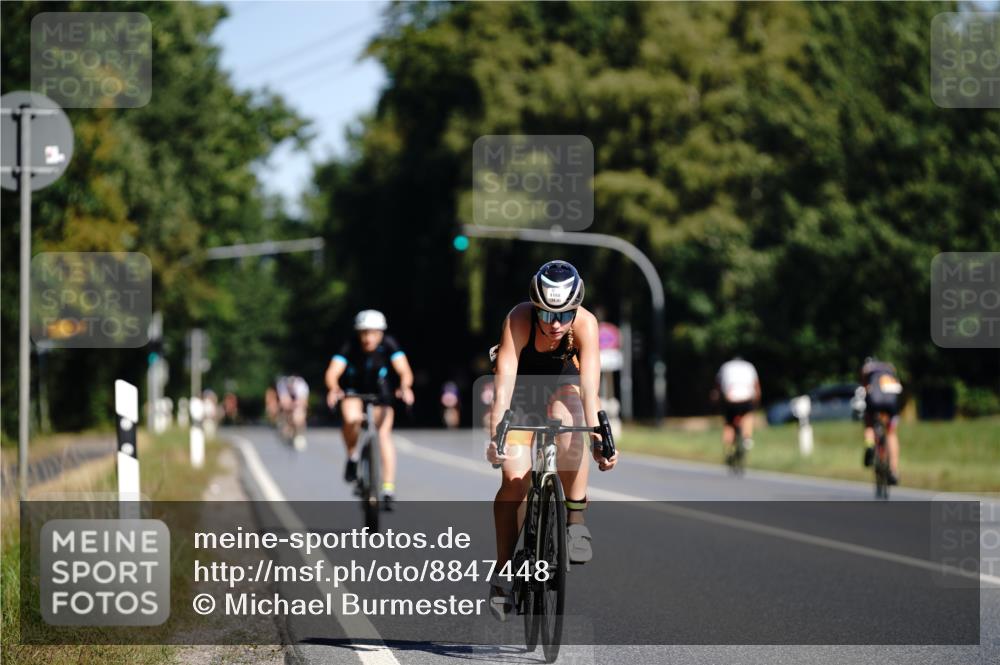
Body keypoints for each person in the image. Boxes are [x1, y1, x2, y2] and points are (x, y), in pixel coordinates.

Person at [485, 260, 618, 621]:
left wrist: (601, 440)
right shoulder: (518, 319)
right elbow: (503, 390)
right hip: (520, 394)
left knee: (571, 424)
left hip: (564, 386)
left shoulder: (586, 324)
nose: (555, 324)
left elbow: (590, 393)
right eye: (546, 314)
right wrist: (497, 436)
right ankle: (503, 571)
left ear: (576, 309)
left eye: (564, 315)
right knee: (514, 478)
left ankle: (575, 519)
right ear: (535, 306)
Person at [325, 310, 415, 510]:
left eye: (373, 333)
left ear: (381, 333)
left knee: (384, 437)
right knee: (352, 419)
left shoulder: (389, 345)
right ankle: (352, 457)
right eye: (364, 333)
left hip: (381, 394)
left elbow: (404, 370)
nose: (368, 338)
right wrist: (333, 388)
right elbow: (333, 371)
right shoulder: (350, 345)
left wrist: (405, 387)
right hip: (353, 392)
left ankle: (388, 488)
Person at [859, 356, 903, 485]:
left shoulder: (867, 368)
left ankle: (869, 444)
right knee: (891, 433)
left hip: (874, 400)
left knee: (869, 422)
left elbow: (864, 387)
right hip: (891, 402)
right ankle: (893, 471)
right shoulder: (889, 367)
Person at [714, 356, 761, 463]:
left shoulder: (725, 366)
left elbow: (718, 387)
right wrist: (756, 404)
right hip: (746, 399)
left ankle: (728, 449)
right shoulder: (749, 366)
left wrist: (718, 400)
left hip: (730, 399)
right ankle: (747, 439)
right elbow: (757, 388)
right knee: (748, 416)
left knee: (729, 424)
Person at [275, 375, 309, 450]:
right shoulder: (282, 385)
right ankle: (286, 427)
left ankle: (299, 434)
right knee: (285, 410)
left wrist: (296, 407)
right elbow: (284, 402)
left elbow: (303, 402)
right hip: (288, 402)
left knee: (299, 416)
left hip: (298, 402)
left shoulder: (301, 386)